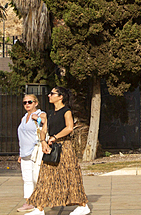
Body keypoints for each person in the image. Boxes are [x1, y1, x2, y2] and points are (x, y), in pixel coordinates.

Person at [25, 86, 89, 215]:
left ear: (61, 96)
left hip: (65, 148)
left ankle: (83, 205)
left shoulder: (66, 111)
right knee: (45, 177)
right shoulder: (49, 113)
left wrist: (55, 137)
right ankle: (39, 208)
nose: (49, 95)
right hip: (51, 147)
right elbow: (44, 130)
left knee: (70, 176)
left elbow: (69, 128)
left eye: (52, 93)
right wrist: (43, 141)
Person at [17, 93, 45, 212]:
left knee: (36, 176)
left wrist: (37, 119)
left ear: (36, 103)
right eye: (25, 102)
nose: (27, 104)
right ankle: (29, 201)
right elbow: (22, 137)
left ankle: (40, 201)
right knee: (27, 177)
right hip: (24, 152)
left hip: (35, 150)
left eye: (30, 102)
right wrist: (20, 153)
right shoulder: (24, 118)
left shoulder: (40, 113)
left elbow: (45, 123)